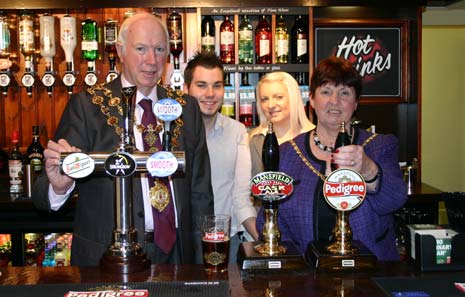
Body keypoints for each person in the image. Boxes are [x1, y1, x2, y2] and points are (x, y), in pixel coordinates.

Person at [32, 12, 213, 266]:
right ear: (120, 50)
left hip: (178, 255)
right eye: (141, 49)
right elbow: (41, 195)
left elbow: (200, 191)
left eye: (159, 49)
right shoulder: (87, 106)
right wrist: (60, 187)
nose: (151, 60)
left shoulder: (186, 107)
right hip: (108, 260)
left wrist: (203, 259)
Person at [256, 56, 408, 260]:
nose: (334, 101)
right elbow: (268, 219)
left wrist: (368, 169)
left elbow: (395, 200)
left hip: (370, 269)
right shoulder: (287, 153)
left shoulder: (379, 145)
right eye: (326, 92)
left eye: (344, 93)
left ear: (356, 103)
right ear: (311, 99)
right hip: (306, 274)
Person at [183, 51, 258, 263]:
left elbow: (241, 198)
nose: (210, 93)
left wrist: (265, 241)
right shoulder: (170, 134)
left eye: (217, 85)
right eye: (201, 85)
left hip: (226, 242)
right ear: (186, 89)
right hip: (182, 242)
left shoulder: (236, 131)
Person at [248, 71, 314, 177]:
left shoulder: (315, 138)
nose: (270, 105)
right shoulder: (251, 141)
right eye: (264, 99)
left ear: (294, 98)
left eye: (278, 97)